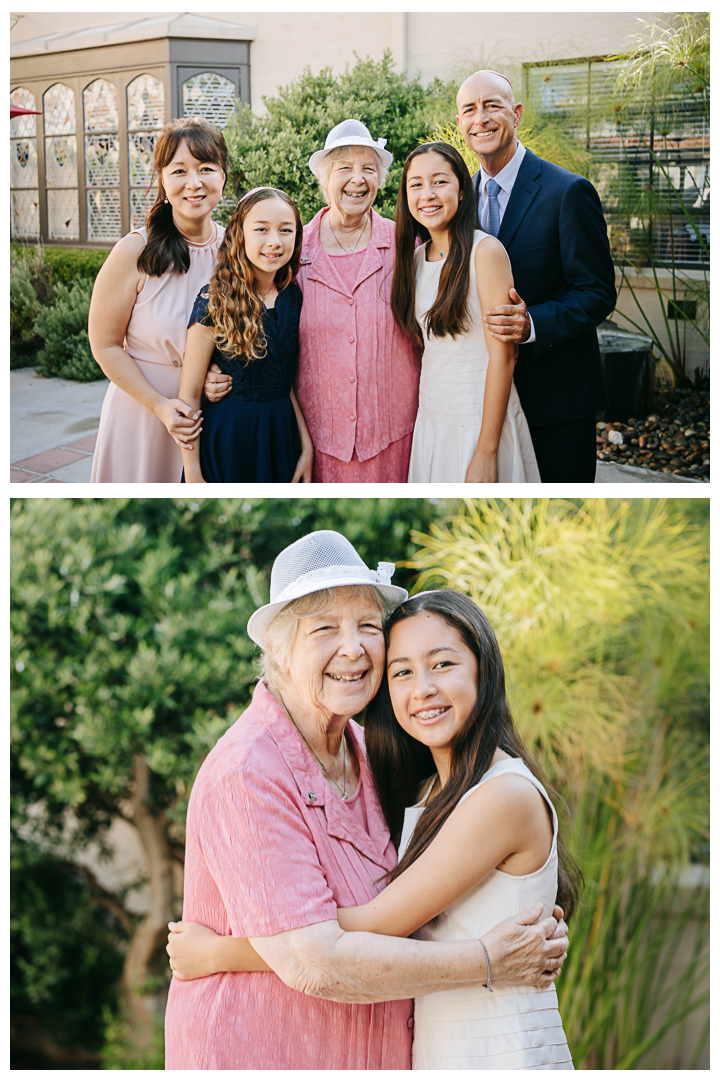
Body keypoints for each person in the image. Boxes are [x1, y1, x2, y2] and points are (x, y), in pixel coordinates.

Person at [163, 530, 569, 1069]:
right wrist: (486, 960)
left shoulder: (379, 759)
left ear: (484, 669)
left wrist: (223, 952)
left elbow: (381, 921)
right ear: (279, 651)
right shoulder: (247, 772)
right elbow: (317, 959)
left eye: (367, 627)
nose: (352, 648)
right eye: (325, 628)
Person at [202, 120, 421, 482]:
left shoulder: (404, 245)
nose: (358, 179)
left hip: (393, 438)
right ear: (324, 180)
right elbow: (251, 316)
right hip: (315, 445)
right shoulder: (292, 253)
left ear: (380, 179)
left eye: (368, 168)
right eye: (344, 168)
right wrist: (216, 368)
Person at [456, 69, 617, 482]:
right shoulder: (457, 204)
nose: (481, 118)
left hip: (556, 400)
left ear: (517, 113)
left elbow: (597, 292)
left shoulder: (568, 192)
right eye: (469, 110)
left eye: (492, 105)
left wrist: (532, 324)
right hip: (481, 401)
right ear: (460, 124)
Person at [392, 142, 540, 483]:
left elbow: (504, 357)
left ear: (462, 190)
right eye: (416, 184)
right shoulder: (414, 260)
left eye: (439, 181)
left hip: (479, 421)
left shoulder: (485, 252)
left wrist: (486, 452)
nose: (427, 194)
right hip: (432, 421)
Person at [89, 118, 228, 483]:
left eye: (206, 169)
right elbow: (104, 345)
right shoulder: (135, 249)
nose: (194, 183)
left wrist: (220, 376)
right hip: (142, 415)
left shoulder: (237, 249)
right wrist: (159, 406)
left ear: (223, 175)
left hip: (210, 419)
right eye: (179, 170)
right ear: (163, 180)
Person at [177, 187, 313, 483]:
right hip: (228, 440)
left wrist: (306, 447)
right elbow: (188, 395)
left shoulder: (294, 297)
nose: (274, 242)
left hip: (280, 438)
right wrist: (194, 474)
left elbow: (284, 380)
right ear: (239, 235)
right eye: (261, 229)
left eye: (285, 230)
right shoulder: (214, 299)